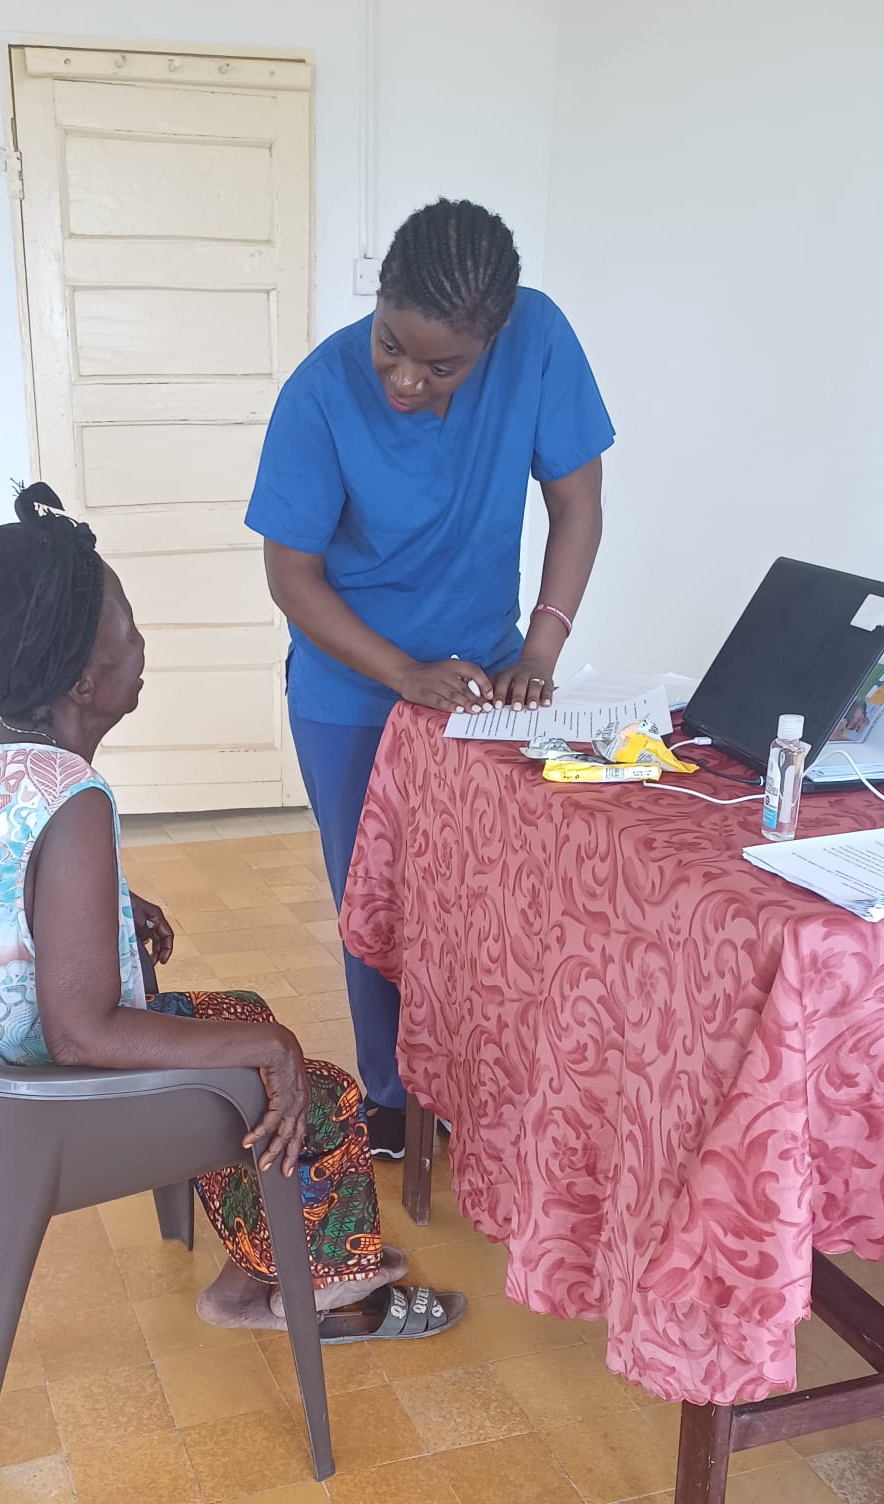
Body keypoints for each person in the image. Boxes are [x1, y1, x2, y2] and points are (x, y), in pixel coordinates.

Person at [0, 483, 465, 1341]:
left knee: (245, 1020)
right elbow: (84, 1034)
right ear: (86, 675)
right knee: (313, 1084)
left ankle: (261, 1265)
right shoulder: (74, 799)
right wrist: (275, 1050)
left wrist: (108, 904)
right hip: (35, 1098)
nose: (142, 639)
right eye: (127, 621)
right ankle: (326, 1294)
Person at [247, 198, 614, 1159]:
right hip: (353, 689)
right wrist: (404, 674)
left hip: (485, 690)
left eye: (440, 364)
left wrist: (539, 652)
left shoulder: (538, 339)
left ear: (493, 337)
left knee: (487, 900)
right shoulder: (321, 394)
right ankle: (397, 1100)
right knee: (378, 901)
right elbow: (292, 575)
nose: (406, 378)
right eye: (389, 346)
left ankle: (484, 1086)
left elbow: (578, 502)